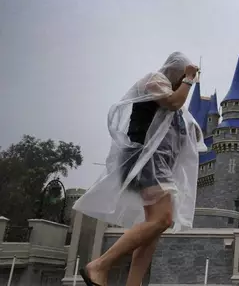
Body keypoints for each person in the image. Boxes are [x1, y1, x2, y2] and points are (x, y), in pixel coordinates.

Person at [73, 52, 206, 286]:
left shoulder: (177, 101)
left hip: (158, 166)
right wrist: (189, 80)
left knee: (152, 233)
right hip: (146, 162)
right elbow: (174, 102)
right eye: (182, 75)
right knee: (163, 219)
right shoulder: (154, 80)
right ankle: (99, 266)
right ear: (177, 71)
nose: (184, 80)